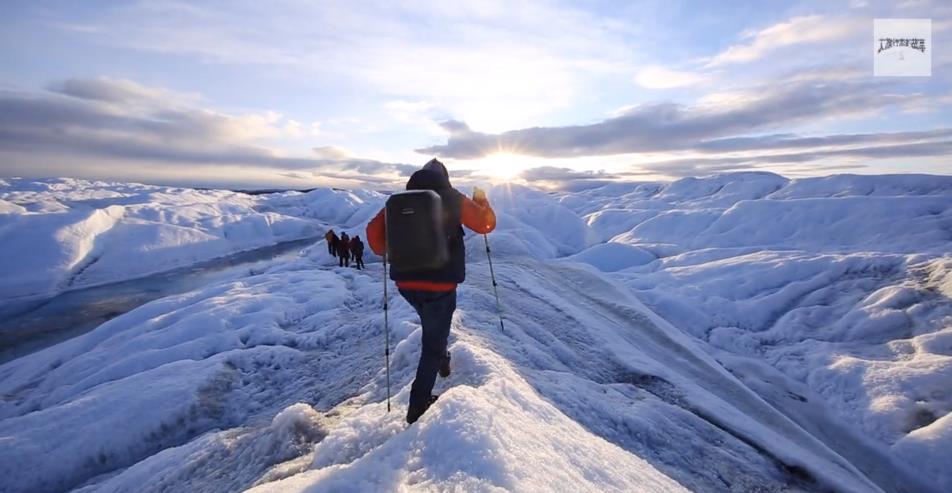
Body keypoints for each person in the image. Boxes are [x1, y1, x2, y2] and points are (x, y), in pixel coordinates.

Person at [367, 158, 496, 424]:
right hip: (441, 285)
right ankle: (418, 404)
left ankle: (443, 358)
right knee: (431, 344)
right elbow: (485, 224)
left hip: (406, 285)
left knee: (433, 327)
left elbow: (375, 239)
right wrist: (482, 201)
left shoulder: (398, 201)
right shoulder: (452, 197)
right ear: (445, 178)